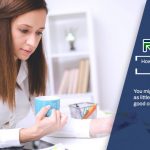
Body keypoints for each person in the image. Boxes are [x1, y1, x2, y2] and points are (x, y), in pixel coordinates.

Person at [0, 0, 113, 148]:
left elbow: (51, 121)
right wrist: (28, 134)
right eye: (24, 30)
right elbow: (33, 132)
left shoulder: (31, 66)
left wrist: (103, 125)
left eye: (39, 32)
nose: (33, 43)